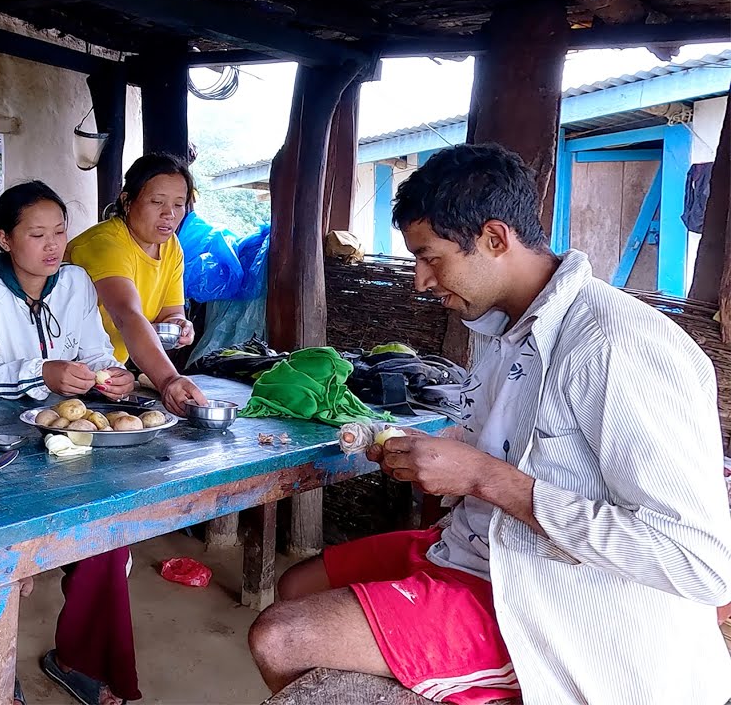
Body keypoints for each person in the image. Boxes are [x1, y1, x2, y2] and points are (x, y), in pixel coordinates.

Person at [247, 143, 731, 704]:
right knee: (296, 586)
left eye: (431, 257)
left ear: (495, 239)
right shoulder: (510, 328)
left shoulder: (613, 345)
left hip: (549, 593)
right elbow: (520, 451)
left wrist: (481, 477)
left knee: (282, 639)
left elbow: (699, 563)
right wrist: (442, 450)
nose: (420, 282)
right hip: (481, 546)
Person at [0, 181, 142, 705]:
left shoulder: (77, 280)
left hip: (67, 431)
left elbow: (97, 349)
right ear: (5, 239)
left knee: (106, 533)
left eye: (59, 231)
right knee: (1, 553)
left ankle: (77, 660)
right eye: (36, 234)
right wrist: (43, 372)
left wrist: (112, 375)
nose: (52, 245)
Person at [65, 153, 208, 415]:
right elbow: (126, 316)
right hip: (66, 373)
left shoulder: (171, 247)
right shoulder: (106, 243)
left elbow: (170, 312)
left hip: (106, 373)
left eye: (179, 204)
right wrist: (167, 380)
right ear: (127, 201)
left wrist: (179, 324)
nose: (169, 214)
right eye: (157, 202)